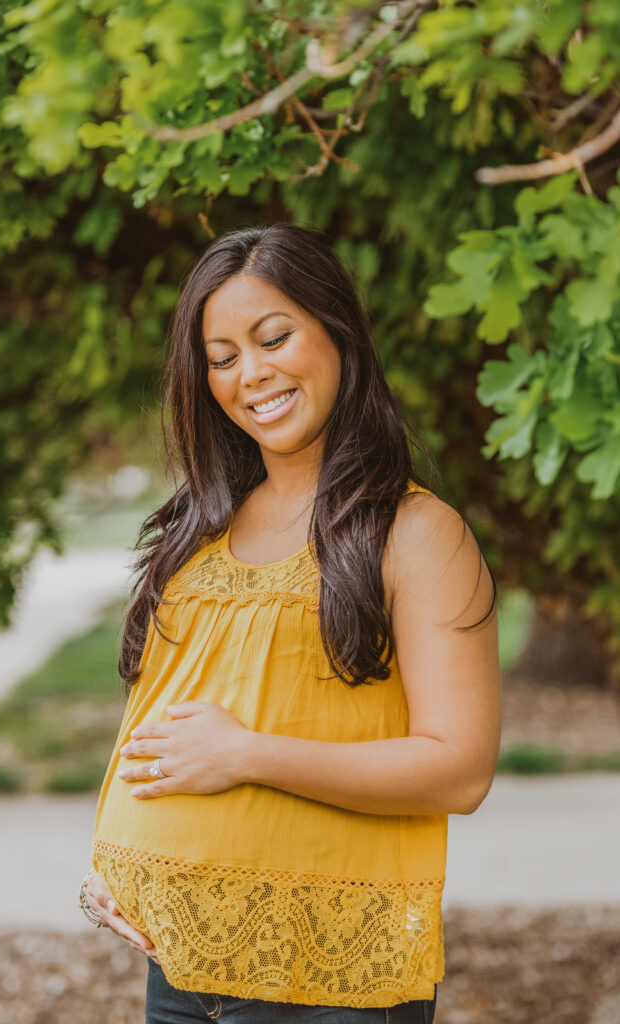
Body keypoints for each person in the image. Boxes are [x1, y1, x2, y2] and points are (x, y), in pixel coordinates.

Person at [78, 223, 502, 1023]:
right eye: (223, 356)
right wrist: (111, 866)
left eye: (274, 337)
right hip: (179, 968)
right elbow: (158, 722)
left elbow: (461, 769)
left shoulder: (414, 532)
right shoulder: (200, 526)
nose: (252, 374)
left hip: (325, 979)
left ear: (338, 333)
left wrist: (247, 755)